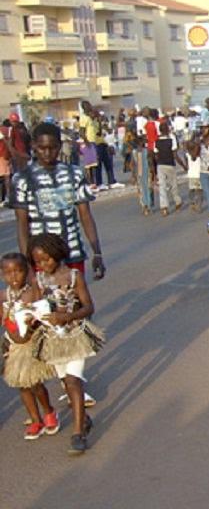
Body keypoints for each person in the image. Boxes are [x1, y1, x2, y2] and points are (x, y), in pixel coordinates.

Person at [30, 234, 103, 456]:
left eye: (47, 260)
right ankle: (84, 418)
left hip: (76, 335)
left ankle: (78, 433)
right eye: (38, 262)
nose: (43, 265)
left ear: (58, 254)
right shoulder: (38, 281)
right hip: (53, 340)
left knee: (73, 380)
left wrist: (67, 317)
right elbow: (36, 308)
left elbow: (89, 307)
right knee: (65, 380)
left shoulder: (74, 276)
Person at [9, 122, 105, 280]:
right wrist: (28, 264)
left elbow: (85, 216)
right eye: (42, 148)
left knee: (77, 301)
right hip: (40, 258)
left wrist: (97, 252)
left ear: (60, 146)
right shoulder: (22, 179)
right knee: (46, 304)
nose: (47, 153)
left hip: (72, 253)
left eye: (52, 147)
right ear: (33, 145)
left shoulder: (74, 174)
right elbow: (22, 224)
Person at [2, 252, 59, 440]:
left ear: (26, 272)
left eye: (18, 271)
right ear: (2, 275)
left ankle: (49, 411)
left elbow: (42, 314)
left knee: (35, 383)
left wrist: (31, 321)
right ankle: (35, 419)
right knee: (22, 384)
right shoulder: (3, 296)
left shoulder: (32, 293)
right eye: (8, 273)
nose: (13, 276)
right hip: (13, 346)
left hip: (31, 344)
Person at [152, 122, 186, 216]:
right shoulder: (172, 140)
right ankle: (177, 202)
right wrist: (183, 165)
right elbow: (175, 155)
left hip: (160, 165)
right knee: (173, 184)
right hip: (170, 164)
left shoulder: (156, 141)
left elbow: (155, 155)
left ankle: (164, 207)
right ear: (167, 129)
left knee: (162, 186)